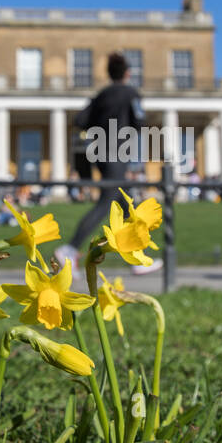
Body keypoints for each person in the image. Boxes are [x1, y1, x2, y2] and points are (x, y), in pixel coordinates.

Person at [56, 51, 160, 276]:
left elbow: (79, 120)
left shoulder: (101, 95)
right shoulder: (131, 93)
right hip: (118, 151)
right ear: (128, 73)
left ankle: (135, 258)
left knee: (124, 203)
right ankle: (69, 248)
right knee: (106, 202)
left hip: (100, 153)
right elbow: (140, 121)